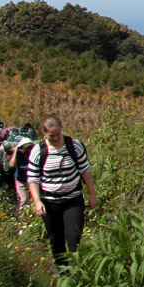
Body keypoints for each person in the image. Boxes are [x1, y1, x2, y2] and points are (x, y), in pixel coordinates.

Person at [26, 115, 94, 271]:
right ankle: (63, 275)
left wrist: (92, 194)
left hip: (72, 200)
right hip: (49, 202)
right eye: (52, 136)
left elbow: (85, 170)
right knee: (56, 241)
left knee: (74, 238)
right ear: (44, 133)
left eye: (58, 134)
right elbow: (33, 178)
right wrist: (37, 202)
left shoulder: (73, 145)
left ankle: (78, 272)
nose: (56, 138)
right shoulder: (38, 151)